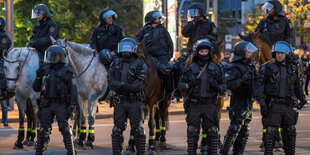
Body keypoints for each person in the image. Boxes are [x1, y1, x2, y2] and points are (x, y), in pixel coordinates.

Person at [256, 41, 307, 155]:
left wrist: (302, 98)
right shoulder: (268, 68)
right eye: (277, 53)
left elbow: (297, 87)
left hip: (288, 106)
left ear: (287, 54)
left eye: (282, 53)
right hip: (274, 105)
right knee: (270, 132)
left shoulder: (293, 69)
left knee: (290, 132)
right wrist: (262, 103)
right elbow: (259, 87)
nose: (279, 55)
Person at [178, 39, 226, 155]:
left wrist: (217, 86)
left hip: (210, 104)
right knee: (192, 131)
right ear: (197, 52)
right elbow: (180, 85)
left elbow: (224, 86)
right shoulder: (190, 69)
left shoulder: (216, 69)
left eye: (205, 51)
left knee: (213, 131)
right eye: (201, 51)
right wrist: (189, 84)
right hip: (195, 104)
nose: (204, 53)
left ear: (209, 53)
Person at [33, 45, 78, 155]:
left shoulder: (68, 72)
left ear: (60, 57)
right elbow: (35, 88)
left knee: (66, 131)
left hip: (61, 104)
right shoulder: (45, 70)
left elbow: (73, 91)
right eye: (49, 56)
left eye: (53, 56)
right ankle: (39, 152)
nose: (50, 58)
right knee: (43, 131)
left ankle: (71, 152)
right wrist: (38, 77)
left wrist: (72, 107)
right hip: (47, 104)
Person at [108, 38, 147, 155]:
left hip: (134, 101)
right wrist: (124, 85)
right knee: (117, 130)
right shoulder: (115, 63)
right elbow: (110, 82)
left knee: (138, 130)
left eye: (128, 48)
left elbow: (140, 85)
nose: (126, 50)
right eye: (123, 47)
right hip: (120, 101)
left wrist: (121, 86)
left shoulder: (140, 65)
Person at [219, 41, 258, 155]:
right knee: (235, 128)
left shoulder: (250, 66)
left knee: (245, 130)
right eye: (247, 50)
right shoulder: (235, 67)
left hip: (248, 101)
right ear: (241, 52)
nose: (250, 53)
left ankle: (239, 152)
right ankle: (224, 151)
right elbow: (229, 85)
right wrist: (242, 80)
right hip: (238, 101)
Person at [135, 10, 173, 99]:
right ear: (151, 19)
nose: (159, 19)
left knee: (168, 71)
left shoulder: (163, 29)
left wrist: (168, 57)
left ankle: (168, 92)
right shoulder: (143, 30)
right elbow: (136, 41)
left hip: (161, 57)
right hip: (147, 57)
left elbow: (170, 44)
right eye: (157, 17)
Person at [28, 4, 59, 68]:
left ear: (44, 14)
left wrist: (36, 42)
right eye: (36, 14)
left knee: (46, 69)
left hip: (48, 53)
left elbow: (49, 38)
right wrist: (31, 42)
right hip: (37, 51)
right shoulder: (37, 26)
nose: (36, 16)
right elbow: (33, 37)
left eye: (38, 14)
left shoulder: (52, 25)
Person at [0, 17, 12, 100]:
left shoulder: (3, 36)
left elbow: (3, 48)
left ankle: (1, 91)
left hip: (0, 57)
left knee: (1, 71)